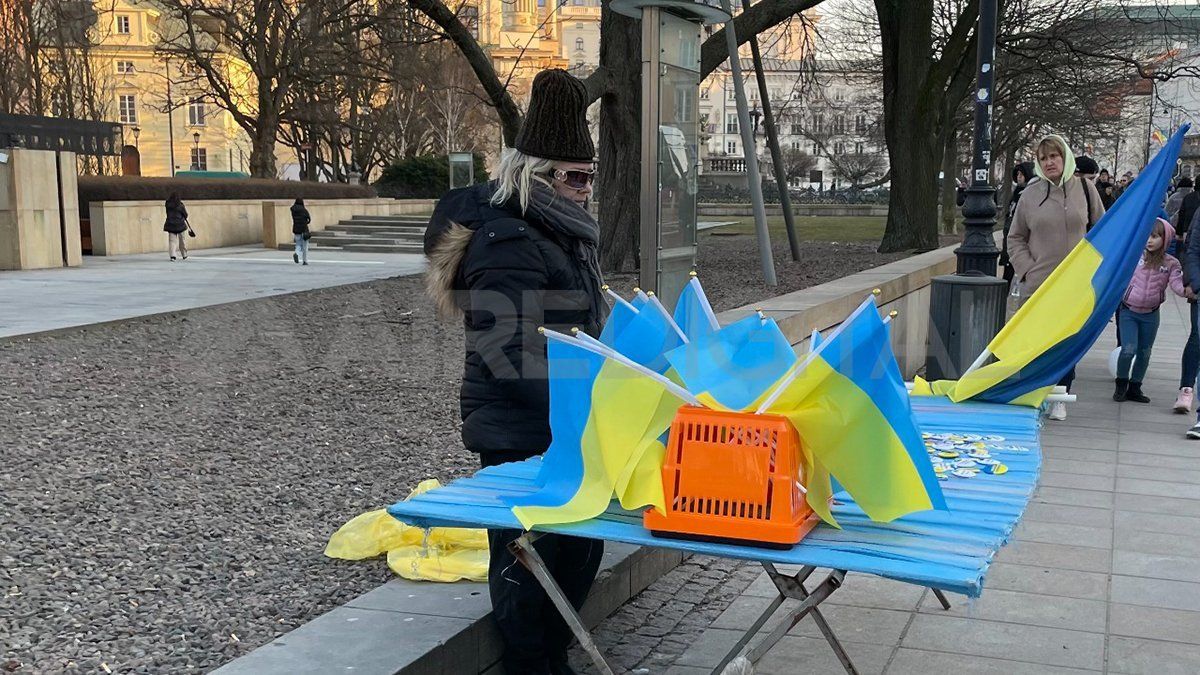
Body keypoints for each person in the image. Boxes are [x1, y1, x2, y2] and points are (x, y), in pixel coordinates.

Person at [423, 68, 605, 674]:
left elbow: (573, 329)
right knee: (530, 561)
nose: (586, 189)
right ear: (539, 175)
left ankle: (547, 656)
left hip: (561, 418)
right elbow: (510, 354)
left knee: (578, 547)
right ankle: (532, 665)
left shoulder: (559, 231)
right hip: (522, 425)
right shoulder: (508, 240)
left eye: (589, 177)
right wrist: (588, 404)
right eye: (576, 178)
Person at [1008, 134, 1105, 421]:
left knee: (1066, 341)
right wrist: (1028, 269)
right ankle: (1034, 393)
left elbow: (1102, 231)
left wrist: (1092, 270)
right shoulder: (1030, 194)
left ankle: (1060, 393)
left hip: (1075, 284)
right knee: (1035, 341)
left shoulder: (1086, 189)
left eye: (1054, 156)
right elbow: (1014, 237)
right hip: (1038, 283)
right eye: (1043, 158)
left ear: (1065, 158)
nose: (1049, 162)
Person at [1114, 218, 1189, 403]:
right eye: (1147, 235)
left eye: (1155, 236)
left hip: (1151, 314)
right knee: (1128, 349)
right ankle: (1121, 382)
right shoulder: (1134, 256)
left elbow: (1177, 285)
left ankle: (1135, 387)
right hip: (1128, 311)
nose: (1150, 240)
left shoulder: (1171, 264)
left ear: (1165, 238)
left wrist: (1189, 291)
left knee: (1145, 352)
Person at [1000, 161, 1035, 284]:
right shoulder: (1016, 193)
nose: (1019, 177)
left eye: (1022, 174)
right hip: (1010, 236)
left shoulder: (1030, 194)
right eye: (1018, 174)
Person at [164, 192, 190, 261]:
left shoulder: (167, 204)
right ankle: (184, 254)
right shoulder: (180, 205)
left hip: (170, 224)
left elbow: (167, 213)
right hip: (180, 224)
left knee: (172, 241)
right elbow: (186, 215)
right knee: (182, 240)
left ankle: (173, 256)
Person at [291, 198, 311, 265]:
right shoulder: (304, 210)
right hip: (304, 230)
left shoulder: (293, 210)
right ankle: (305, 261)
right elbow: (309, 219)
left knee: (298, 244)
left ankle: (296, 253)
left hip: (296, 229)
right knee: (305, 246)